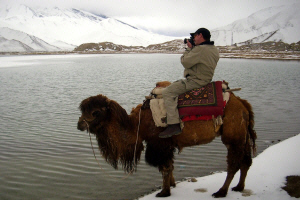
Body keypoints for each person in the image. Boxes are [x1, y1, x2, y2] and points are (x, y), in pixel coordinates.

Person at [159, 28, 219, 138]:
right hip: (206, 79)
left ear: (200, 35)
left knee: (168, 92)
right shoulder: (213, 49)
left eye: (195, 36)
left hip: (195, 81)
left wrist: (189, 49)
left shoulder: (200, 49)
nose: (194, 39)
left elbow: (185, 62)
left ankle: (173, 124)